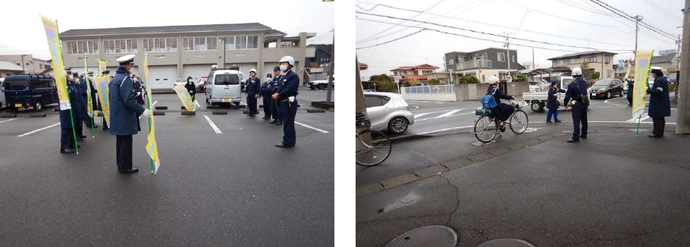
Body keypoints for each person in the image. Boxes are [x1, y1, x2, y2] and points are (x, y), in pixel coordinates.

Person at [109, 54, 151, 174]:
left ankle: (121, 165)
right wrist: (143, 110)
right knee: (126, 143)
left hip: (117, 116)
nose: (132, 67)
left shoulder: (115, 78)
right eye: (131, 65)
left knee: (120, 143)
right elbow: (129, 100)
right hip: (124, 117)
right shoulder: (124, 79)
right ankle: (125, 167)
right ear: (127, 66)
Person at [273, 56, 299, 148]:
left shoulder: (293, 76)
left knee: (288, 122)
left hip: (289, 102)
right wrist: (277, 93)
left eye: (284, 63)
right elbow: (280, 88)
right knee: (287, 122)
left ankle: (287, 141)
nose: (282, 65)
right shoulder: (283, 76)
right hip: (283, 102)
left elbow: (289, 89)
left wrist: (278, 94)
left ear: (290, 64)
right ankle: (290, 141)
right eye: (281, 63)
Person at [564, 67, 589, 143]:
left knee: (576, 120)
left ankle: (576, 137)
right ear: (581, 74)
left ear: (573, 75)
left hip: (576, 103)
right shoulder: (585, 82)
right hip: (584, 102)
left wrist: (565, 104)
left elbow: (567, 96)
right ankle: (584, 134)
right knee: (584, 119)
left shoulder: (572, 84)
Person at [60, 67, 79, 154]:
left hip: (73, 109)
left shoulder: (71, 84)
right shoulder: (62, 85)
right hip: (66, 110)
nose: (69, 75)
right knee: (66, 128)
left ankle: (71, 143)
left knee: (72, 127)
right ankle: (64, 147)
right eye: (67, 73)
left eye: (70, 73)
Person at [647, 68, 671, 138]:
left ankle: (657, 133)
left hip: (658, 102)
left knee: (657, 118)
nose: (652, 75)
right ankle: (660, 132)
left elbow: (658, 91)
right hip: (662, 102)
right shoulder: (663, 79)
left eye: (652, 73)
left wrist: (648, 90)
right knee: (660, 118)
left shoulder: (659, 80)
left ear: (655, 73)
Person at [72, 71, 87, 140]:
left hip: (81, 105)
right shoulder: (73, 85)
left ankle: (80, 133)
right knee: (77, 122)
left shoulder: (78, 84)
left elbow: (81, 93)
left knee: (80, 121)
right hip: (77, 106)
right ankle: (77, 135)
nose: (77, 78)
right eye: (75, 77)